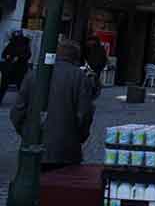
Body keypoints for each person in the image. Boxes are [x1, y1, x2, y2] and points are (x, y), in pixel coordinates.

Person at [10, 39, 95, 172]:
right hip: (66, 148)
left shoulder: (35, 74)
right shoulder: (80, 77)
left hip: (34, 144)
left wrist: (27, 133)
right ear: (76, 57)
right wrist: (78, 136)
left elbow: (17, 111)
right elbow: (84, 114)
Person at [0, 31, 32, 106]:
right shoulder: (11, 44)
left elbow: (27, 55)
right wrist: (9, 57)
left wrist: (19, 58)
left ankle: (23, 103)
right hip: (9, 69)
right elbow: (4, 54)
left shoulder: (25, 45)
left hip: (19, 70)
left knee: (21, 88)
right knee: (3, 86)